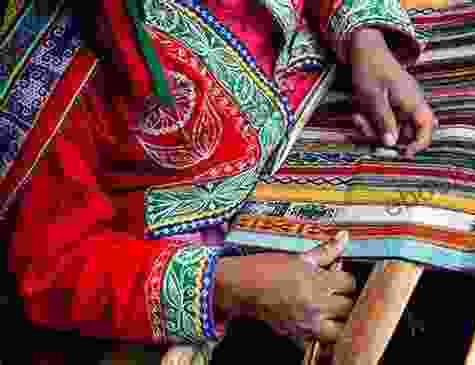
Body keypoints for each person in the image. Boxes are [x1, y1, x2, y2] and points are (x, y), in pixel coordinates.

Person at [0, 0, 436, 362]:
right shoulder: (57, 60)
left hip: (324, 138)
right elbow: (51, 268)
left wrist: (366, 41)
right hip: (180, 302)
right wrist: (226, 287)